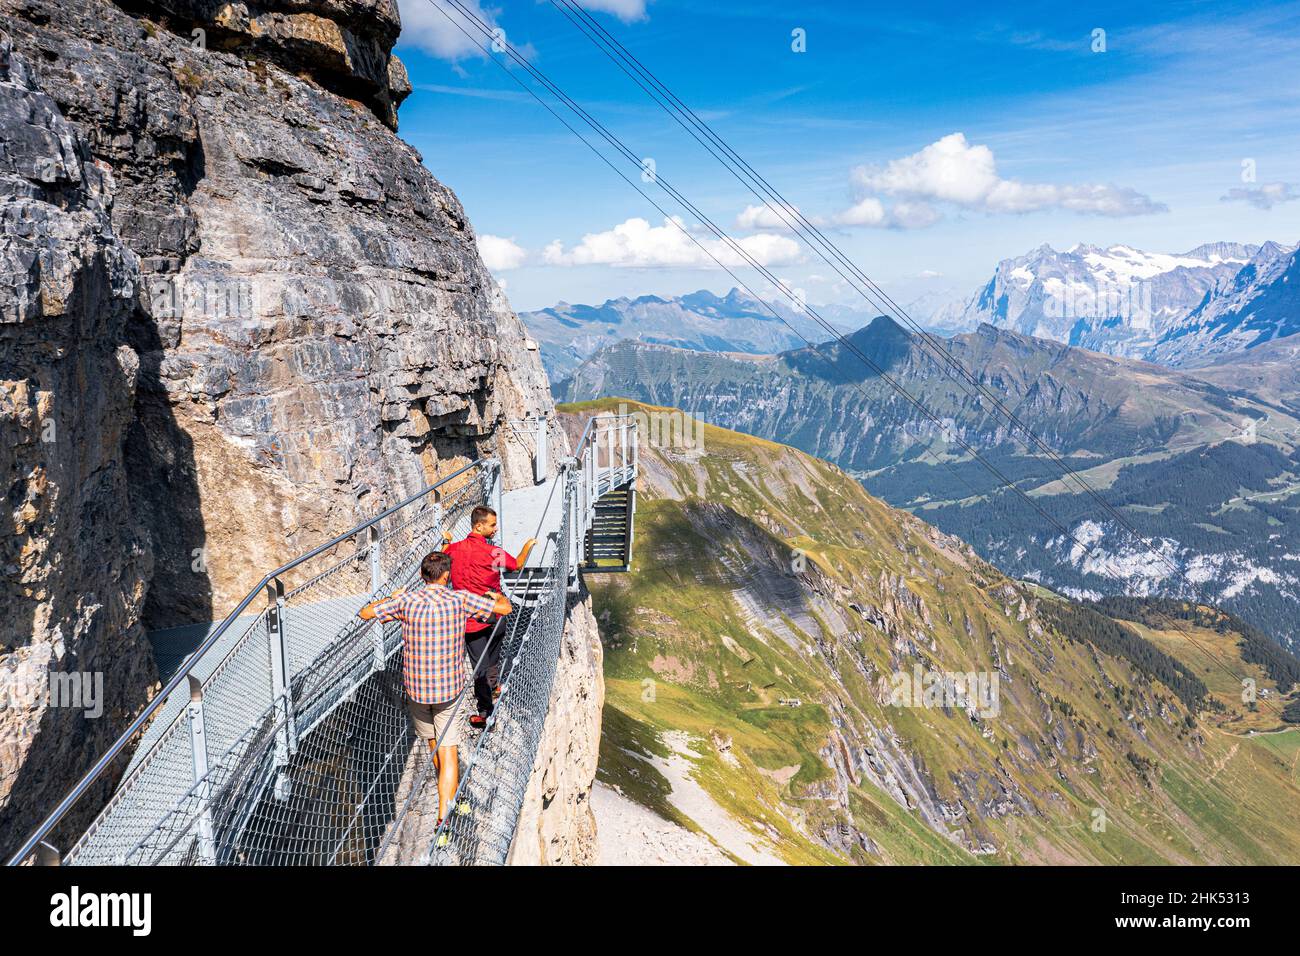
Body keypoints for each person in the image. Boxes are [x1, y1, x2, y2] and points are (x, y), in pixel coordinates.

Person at [358, 551, 511, 826]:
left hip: (417, 691)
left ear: (421, 576)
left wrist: (392, 599)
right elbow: (505, 610)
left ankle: (450, 794)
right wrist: (496, 596)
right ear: (446, 576)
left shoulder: (406, 601)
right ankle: (444, 817)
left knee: (434, 745)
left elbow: (366, 612)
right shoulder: (459, 599)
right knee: (448, 750)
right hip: (448, 691)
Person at [443, 506, 535, 728]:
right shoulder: (493, 552)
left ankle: (485, 711)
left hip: (470, 621)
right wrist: (527, 546)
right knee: (491, 661)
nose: (495, 529)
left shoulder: (453, 550)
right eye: (492, 525)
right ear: (479, 526)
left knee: (480, 667)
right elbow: (518, 564)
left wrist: (446, 540)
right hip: (496, 614)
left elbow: (443, 558)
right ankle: (489, 707)